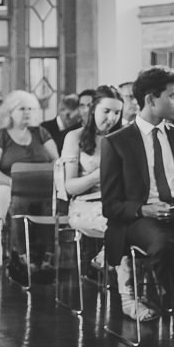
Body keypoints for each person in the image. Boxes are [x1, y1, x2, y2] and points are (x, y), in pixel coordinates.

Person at [99, 66, 174, 322]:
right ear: (150, 99)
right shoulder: (117, 142)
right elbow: (110, 206)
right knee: (163, 244)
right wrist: (143, 209)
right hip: (140, 218)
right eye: (173, 95)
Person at [0, 89, 59, 281]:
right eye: (22, 108)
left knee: (52, 203)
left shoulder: (41, 133)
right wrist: (15, 182)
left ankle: (47, 258)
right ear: (10, 112)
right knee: (16, 202)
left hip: (40, 187)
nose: (27, 113)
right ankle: (21, 257)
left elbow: (57, 161)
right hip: (4, 185)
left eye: (31, 109)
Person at [60, 85, 123, 239]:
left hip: (119, 202)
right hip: (86, 204)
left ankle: (109, 258)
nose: (112, 118)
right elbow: (70, 187)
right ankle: (114, 259)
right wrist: (97, 175)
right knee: (118, 224)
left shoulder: (123, 136)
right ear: (93, 109)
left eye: (117, 112)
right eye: (106, 111)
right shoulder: (75, 137)